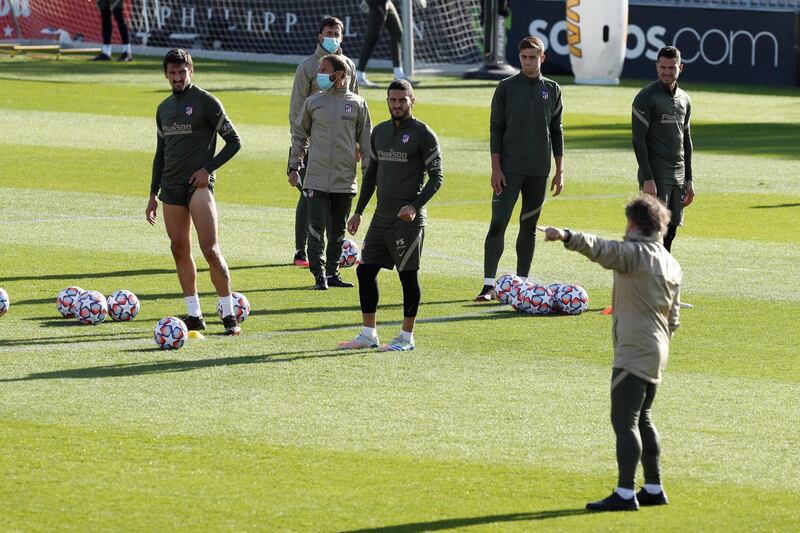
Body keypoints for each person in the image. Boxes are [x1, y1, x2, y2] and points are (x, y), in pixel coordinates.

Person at [542, 193, 682, 512]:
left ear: (633, 223)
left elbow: (602, 249)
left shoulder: (635, 254)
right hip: (657, 349)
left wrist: (565, 235)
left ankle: (624, 493)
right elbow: (674, 318)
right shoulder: (670, 262)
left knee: (624, 421)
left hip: (634, 350)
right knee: (643, 417)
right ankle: (653, 487)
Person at [337, 79, 443, 352]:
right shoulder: (380, 132)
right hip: (381, 218)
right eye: (393, 100)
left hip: (408, 221)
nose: (397, 104)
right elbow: (371, 175)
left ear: (412, 101)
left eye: (402, 100)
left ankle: (407, 338)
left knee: (408, 276)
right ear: (388, 101)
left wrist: (415, 205)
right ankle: (368, 334)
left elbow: (436, 178)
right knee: (365, 271)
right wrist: (358, 212)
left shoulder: (424, 134)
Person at [146, 49, 243, 335]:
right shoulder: (163, 108)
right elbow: (160, 153)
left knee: (210, 250)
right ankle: (194, 314)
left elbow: (234, 142)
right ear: (166, 74)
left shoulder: (206, 102)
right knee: (179, 249)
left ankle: (228, 315)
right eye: (172, 73)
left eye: (182, 72)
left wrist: (208, 169)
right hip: (170, 189)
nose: (177, 78)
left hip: (198, 187)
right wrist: (153, 193)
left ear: (191, 71)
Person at [475, 36, 564, 302]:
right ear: (519, 57)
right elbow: (496, 128)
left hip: (539, 171)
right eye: (524, 57)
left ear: (542, 58)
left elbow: (556, 130)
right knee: (498, 223)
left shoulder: (553, 89)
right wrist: (496, 168)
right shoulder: (505, 87)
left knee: (529, 225)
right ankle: (489, 286)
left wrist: (560, 170)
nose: (527, 62)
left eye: (532, 57)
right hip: (509, 170)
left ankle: (521, 285)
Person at [289, 54, 372, 290]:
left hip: (344, 179)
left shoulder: (358, 104)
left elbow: (366, 144)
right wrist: (294, 166)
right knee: (316, 228)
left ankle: (333, 273)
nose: (319, 74)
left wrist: (368, 175)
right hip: (315, 177)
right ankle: (319, 275)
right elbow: (299, 135)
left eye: (324, 70)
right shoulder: (314, 102)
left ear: (339, 74)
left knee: (337, 230)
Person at [288, 16, 359, 268]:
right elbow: (297, 109)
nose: (332, 37)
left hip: (341, 146)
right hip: (313, 144)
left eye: (336, 33)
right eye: (328, 32)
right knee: (309, 195)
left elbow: (356, 104)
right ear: (319, 36)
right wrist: (299, 147)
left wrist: (357, 145)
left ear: (342, 37)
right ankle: (301, 251)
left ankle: (330, 256)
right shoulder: (307, 66)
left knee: (334, 197)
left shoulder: (349, 65)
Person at [632, 45, 695, 253]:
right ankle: (644, 276)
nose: (667, 72)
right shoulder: (646, 97)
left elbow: (686, 139)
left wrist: (689, 179)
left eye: (672, 68)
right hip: (656, 172)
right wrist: (648, 177)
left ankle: (662, 274)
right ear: (656, 66)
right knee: (653, 230)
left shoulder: (684, 99)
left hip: (678, 174)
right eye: (663, 67)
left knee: (672, 229)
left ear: (681, 68)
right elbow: (638, 140)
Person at [356, 0, 416, 88]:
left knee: (397, 31)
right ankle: (359, 75)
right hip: (378, 2)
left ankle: (398, 74)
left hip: (386, 2)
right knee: (372, 37)